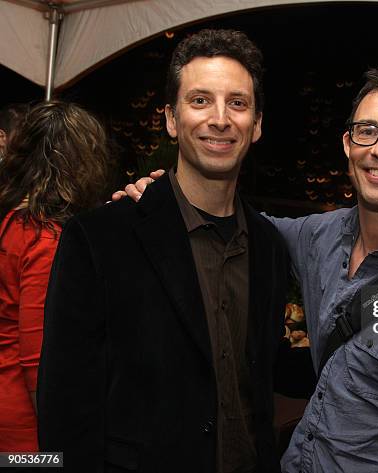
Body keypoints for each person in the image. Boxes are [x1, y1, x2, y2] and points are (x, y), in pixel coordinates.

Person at [122, 63, 378, 472]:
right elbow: (239, 226)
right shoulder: (321, 237)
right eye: (368, 131)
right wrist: (167, 197)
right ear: (348, 143)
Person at [37, 29, 295, 473]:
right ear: (171, 120)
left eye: (237, 103)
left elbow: (263, 372)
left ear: (256, 125)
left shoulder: (269, 246)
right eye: (200, 101)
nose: (220, 119)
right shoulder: (98, 239)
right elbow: (64, 404)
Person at [0, 101, 111, 452]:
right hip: (27, 432)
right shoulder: (46, 241)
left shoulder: (15, 222)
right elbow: (38, 360)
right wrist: (57, 445)